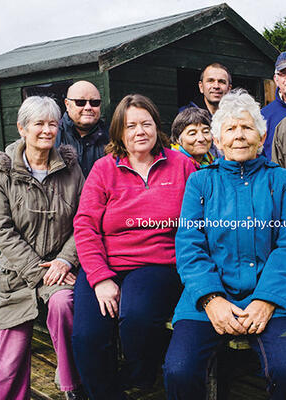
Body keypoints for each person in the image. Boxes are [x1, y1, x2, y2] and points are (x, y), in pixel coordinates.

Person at [164, 89, 286, 400]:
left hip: (274, 296)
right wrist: (210, 299)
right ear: (217, 141)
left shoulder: (283, 181)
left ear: (261, 136)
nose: (239, 136)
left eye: (246, 127)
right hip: (207, 298)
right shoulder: (200, 182)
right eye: (230, 129)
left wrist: (267, 300)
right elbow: (190, 245)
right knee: (179, 370)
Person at [72, 94, 197, 400]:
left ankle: (141, 377)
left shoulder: (182, 165)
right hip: (107, 263)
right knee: (87, 335)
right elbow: (85, 225)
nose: (140, 131)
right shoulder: (104, 169)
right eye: (131, 126)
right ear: (119, 132)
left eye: (146, 123)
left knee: (136, 317)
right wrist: (100, 278)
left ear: (157, 127)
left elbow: (198, 220)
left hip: (157, 263)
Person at [0, 96, 85, 400]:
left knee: (64, 305)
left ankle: (73, 387)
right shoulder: (3, 172)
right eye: (39, 124)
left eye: (52, 124)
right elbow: (1, 228)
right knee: (11, 356)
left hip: (61, 272)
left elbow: (85, 221)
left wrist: (65, 261)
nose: (47, 130)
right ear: (22, 128)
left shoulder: (71, 169)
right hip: (18, 275)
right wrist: (36, 271)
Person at [57, 80, 109, 177]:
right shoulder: (52, 137)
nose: (88, 107)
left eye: (94, 102)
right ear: (67, 104)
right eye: (80, 102)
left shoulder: (112, 137)